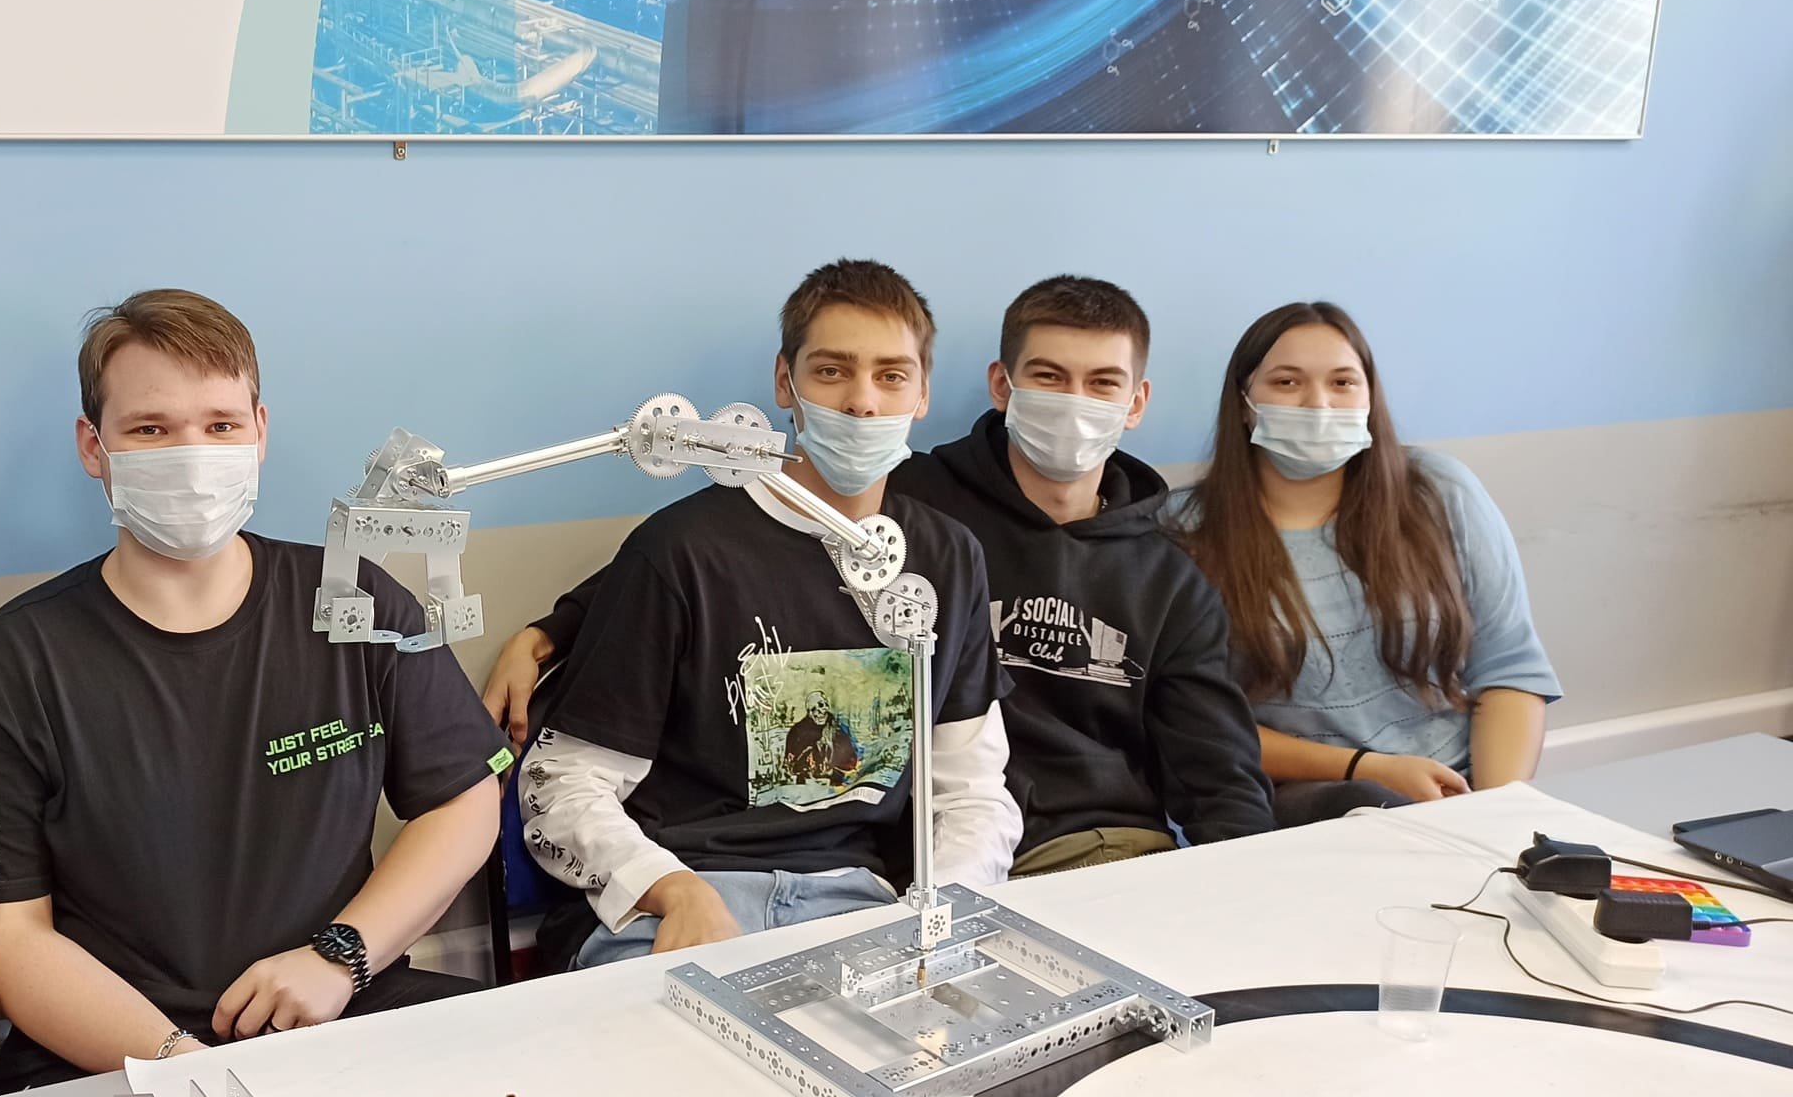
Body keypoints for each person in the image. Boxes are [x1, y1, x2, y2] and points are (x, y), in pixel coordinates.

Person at [492, 275, 1274, 878]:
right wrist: (552, 631)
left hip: (1059, 850)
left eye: (1101, 383)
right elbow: (716, 557)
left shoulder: (1142, 571)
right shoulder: (912, 498)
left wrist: (1239, 887)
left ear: (1135, 401)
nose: (863, 405)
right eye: (1048, 376)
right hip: (878, 859)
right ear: (1001, 386)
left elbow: (1218, 771)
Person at [0, 289, 507, 1085]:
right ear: (93, 446)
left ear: (259, 431)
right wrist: (180, 1067)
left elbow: (463, 801)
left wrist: (341, 957)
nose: (191, 455)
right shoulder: (18, 662)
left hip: (341, 1006)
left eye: (219, 425)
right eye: (151, 430)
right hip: (115, 1052)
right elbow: (11, 937)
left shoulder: (355, 603)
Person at [515, 260, 1017, 969]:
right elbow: (561, 784)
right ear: (785, 382)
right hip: (684, 896)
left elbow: (971, 791)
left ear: (923, 393)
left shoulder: (947, 557)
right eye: (832, 372)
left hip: (857, 901)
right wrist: (673, 892)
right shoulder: (682, 551)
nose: (862, 402)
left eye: (892, 375)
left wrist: (944, 910)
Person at [1168, 300, 1560, 825]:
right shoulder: (1181, 531)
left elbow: (1508, 669)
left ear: (1370, 398)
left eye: (1343, 383)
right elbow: (1199, 723)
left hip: (1458, 790)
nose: (1318, 404)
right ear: (1243, 402)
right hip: (1303, 799)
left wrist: (1493, 811)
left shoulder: (1439, 491)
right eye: (1287, 382)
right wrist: (1369, 769)